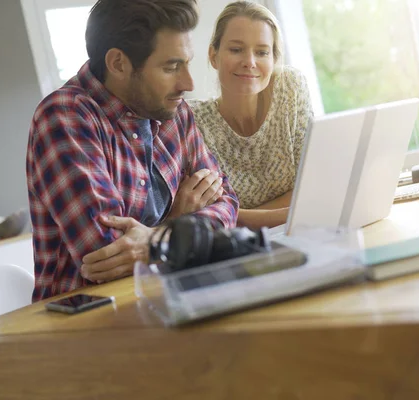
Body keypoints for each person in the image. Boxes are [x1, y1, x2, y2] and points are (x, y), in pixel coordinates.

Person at [26, 0, 239, 301]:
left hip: (169, 301)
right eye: (171, 66)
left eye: (186, 63)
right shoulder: (65, 116)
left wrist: (155, 238)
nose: (188, 83)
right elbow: (107, 254)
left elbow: (228, 203)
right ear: (118, 63)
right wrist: (175, 226)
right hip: (87, 326)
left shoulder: (172, 111)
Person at [188, 1, 313, 230]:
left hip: (305, 234)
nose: (250, 62)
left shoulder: (289, 88)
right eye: (236, 50)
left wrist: (235, 216)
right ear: (213, 56)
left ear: (274, 59)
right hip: (237, 251)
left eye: (262, 52)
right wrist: (296, 208)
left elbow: (312, 187)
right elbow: (207, 218)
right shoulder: (192, 120)